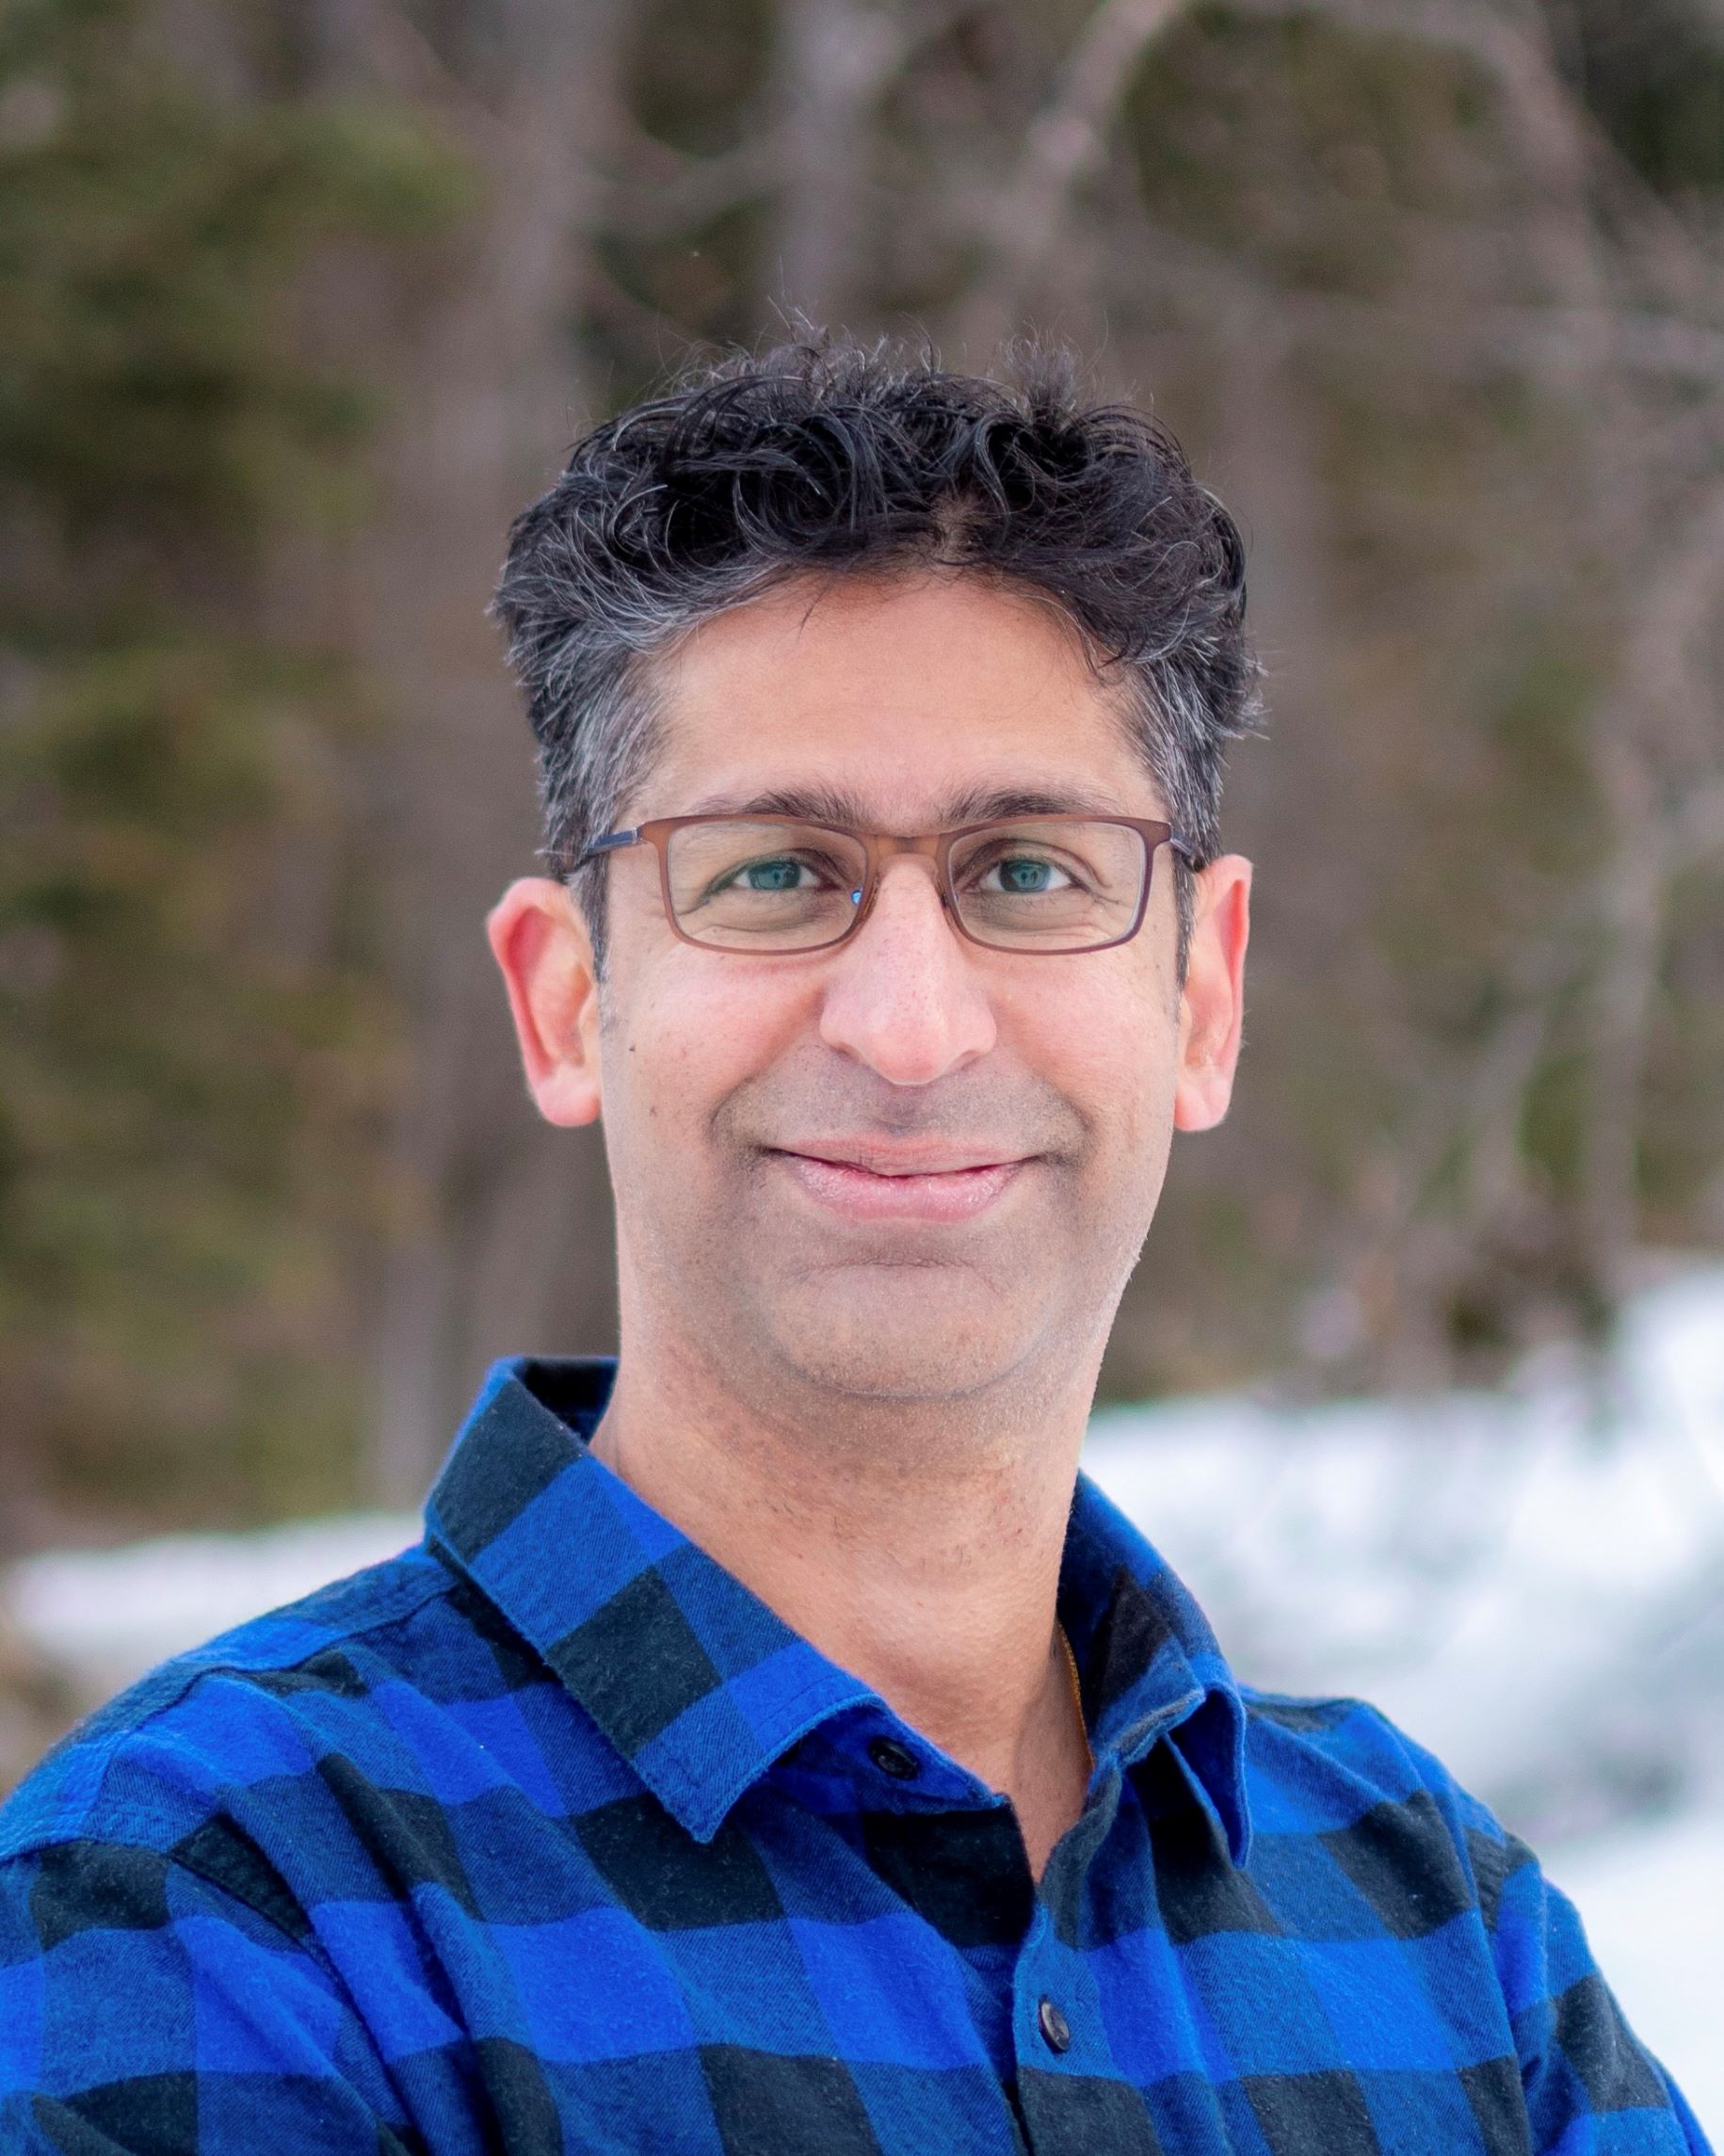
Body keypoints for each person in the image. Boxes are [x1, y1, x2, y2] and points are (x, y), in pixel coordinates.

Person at [0, 341, 1709, 2156]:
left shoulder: (1444, 1937)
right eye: (774, 872)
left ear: (1203, 998)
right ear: (566, 1000)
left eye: (1029, 871)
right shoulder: (213, 1902)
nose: (909, 1027)